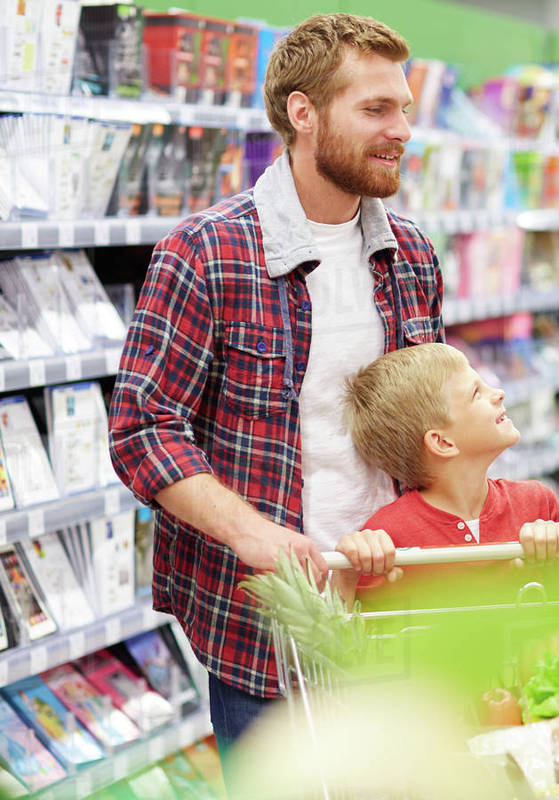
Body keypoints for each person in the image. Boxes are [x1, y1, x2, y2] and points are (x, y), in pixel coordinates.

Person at [107, 13, 443, 759]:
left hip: (395, 600)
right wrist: (257, 536)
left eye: (405, 110)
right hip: (265, 622)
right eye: (376, 109)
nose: (401, 131)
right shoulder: (206, 251)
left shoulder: (411, 255)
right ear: (303, 112)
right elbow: (142, 428)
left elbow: (435, 423)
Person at [332, 343, 559, 605]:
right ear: (443, 443)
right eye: (476, 393)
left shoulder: (537, 503)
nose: (499, 393)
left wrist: (555, 564)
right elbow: (350, 638)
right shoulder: (386, 537)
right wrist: (347, 574)